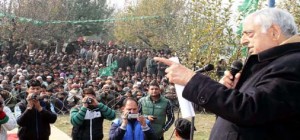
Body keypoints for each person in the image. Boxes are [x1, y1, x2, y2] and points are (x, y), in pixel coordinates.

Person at [154, 8, 300, 139]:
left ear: (274, 32)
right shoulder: (277, 63)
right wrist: (230, 92)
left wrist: (192, 79)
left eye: (249, 34)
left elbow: (250, 109)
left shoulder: (293, 64)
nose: (243, 41)